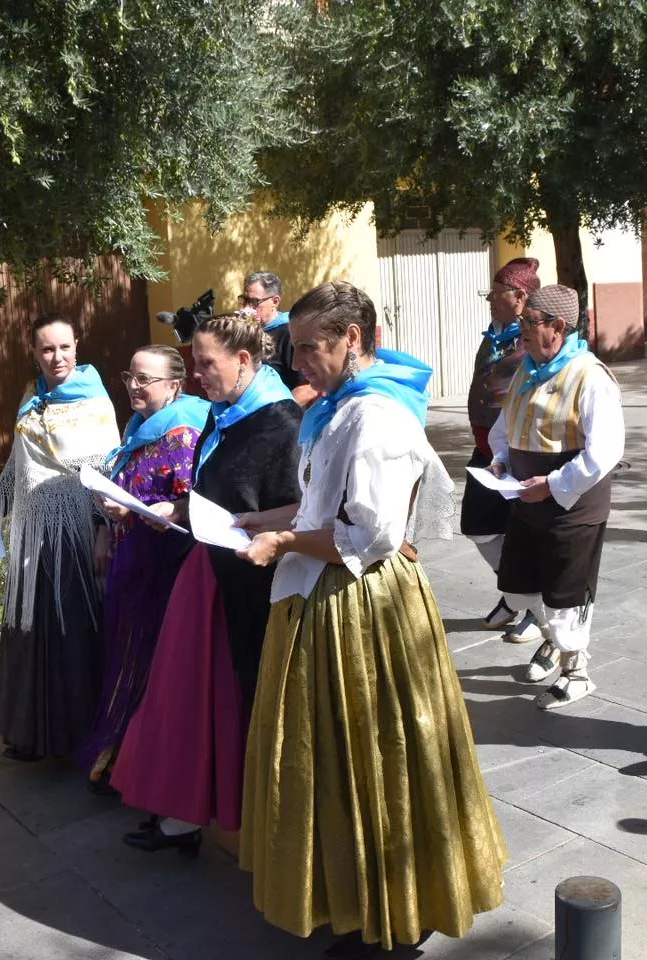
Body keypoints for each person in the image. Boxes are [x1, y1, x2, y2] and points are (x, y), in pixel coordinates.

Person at [238, 281, 507, 960]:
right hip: (324, 600)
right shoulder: (337, 408)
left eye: (307, 349)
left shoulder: (374, 418)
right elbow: (321, 506)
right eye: (292, 348)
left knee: (378, 756)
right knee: (338, 761)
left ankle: (395, 914)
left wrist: (281, 544)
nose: (296, 363)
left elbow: (366, 536)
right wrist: (268, 520)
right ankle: (354, 898)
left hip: (363, 608)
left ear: (351, 339)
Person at [110, 313, 302, 854]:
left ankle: (215, 818)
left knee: (217, 705)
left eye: (206, 363)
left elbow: (289, 513)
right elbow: (214, 488)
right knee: (184, 702)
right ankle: (182, 814)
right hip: (209, 572)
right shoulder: (226, 411)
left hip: (245, 590)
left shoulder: (279, 422)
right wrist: (174, 506)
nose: (197, 375)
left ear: (244, 360)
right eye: (194, 363)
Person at [0, 315, 120, 761]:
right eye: (48, 349)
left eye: (65, 347)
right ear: (33, 352)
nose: (58, 358)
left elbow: (104, 474)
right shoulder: (32, 396)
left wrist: (102, 531)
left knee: (71, 627)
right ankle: (33, 730)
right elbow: (18, 465)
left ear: (77, 346)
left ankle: (77, 733)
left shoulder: (95, 401)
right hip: (33, 532)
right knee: (30, 628)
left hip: (75, 529)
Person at [77, 345, 210, 793]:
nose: (134, 386)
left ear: (175, 385)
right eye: (130, 376)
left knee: (152, 666)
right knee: (126, 657)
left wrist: (134, 511)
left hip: (164, 568)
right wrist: (107, 517)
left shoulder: (184, 433)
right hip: (130, 558)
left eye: (144, 379)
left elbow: (190, 506)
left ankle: (144, 767)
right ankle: (122, 759)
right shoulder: (139, 425)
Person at [487, 285, 625, 709]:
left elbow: (605, 451)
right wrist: (500, 459)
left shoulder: (589, 375)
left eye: (530, 323)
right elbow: (504, 427)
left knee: (565, 594)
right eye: (522, 322)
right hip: (526, 500)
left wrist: (551, 484)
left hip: (572, 505)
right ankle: (553, 642)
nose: (520, 330)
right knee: (517, 586)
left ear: (559, 327)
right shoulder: (527, 369)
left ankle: (576, 669)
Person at [466, 258, 546, 642]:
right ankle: (516, 596)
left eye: (496, 295)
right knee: (478, 525)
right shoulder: (495, 334)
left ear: (520, 297)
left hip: (519, 450)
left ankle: (536, 609)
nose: (490, 301)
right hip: (487, 449)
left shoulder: (533, 337)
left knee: (526, 535)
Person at [242, 270, 319, 406]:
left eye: (254, 302)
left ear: (275, 301)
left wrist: (276, 412)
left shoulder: (289, 333)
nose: (247, 307)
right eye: (245, 300)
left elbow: (308, 387)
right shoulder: (248, 332)